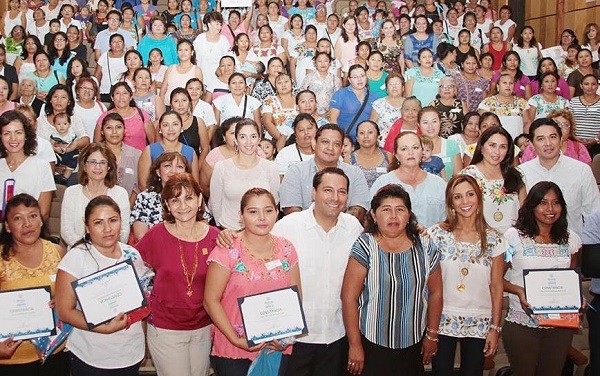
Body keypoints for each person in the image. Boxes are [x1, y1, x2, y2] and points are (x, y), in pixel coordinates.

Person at [341, 183, 443, 375]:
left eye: (400, 210)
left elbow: (436, 292)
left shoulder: (426, 247)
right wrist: (354, 345)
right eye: (386, 210)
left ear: (409, 215)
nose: (393, 216)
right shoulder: (365, 246)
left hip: (413, 343)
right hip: (371, 343)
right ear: (373, 215)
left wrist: (432, 335)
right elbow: (349, 298)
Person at [205, 188, 300, 375]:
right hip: (234, 347)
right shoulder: (227, 249)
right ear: (241, 215)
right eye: (253, 212)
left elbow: (295, 295)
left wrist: (284, 337)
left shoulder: (287, 248)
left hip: (276, 346)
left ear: (277, 212)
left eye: (268, 210)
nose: (262, 218)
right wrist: (236, 339)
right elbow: (210, 301)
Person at [135, 173, 218, 376]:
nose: (183, 206)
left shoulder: (216, 237)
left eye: (188, 198)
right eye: (175, 200)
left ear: (200, 200)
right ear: (167, 204)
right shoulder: (156, 235)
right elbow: (132, 271)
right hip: (166, 328)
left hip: (203, 326)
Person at [55, 196, 148, 375]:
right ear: (88, 227)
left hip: (130, 352)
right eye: (98, 223)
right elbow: (64, 311)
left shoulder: (132, 254)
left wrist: (142, 342)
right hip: (91, 354)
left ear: (121, 221)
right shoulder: (76, 258)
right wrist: (104, 329)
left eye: (113, 220)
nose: (107, 229)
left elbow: (141, 302)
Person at [428, 175, 506, 375]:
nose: (465, 202)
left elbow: (496, 286)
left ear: (479, 198)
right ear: (451, 203)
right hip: (442, 318)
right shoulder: (436, 235)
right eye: (458, 197)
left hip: (480, 320)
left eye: (470, 195)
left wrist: (495, 328)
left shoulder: (495, 239)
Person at [502, 181, 581, 376]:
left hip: (560, 326)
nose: (550, 209)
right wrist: (519, 291)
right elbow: (495, 279)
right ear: (532, 206)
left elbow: (573, 277)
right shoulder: (513, 237)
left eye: (556, 203)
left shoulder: (572, 240)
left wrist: (579, 299)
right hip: (523, 323)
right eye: (543, 203)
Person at [0, 194, 68, 374]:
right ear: (7, 226)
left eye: (32, 216)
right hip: (12, 360)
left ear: (41, 220)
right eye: (17, 218)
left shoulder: (58, 252)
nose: (27, 224)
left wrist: (61, 302)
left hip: (55, 354)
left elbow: (71, 299)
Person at [518, 118, 600, 236]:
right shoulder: (521, 173)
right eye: (540, 139)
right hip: (531, 245)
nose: (548, 143)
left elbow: (593, 213)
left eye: (553, 137)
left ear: (561, 139)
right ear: (531, 143)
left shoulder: (581, 170)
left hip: (572, 246)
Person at [280, 124, 370, 222]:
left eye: (336, 144)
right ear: (314, 143)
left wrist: (334, 228)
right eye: (325, 142)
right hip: (303, 233)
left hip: (344, 233)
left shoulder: (355, 173)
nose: (330, 148)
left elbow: (358, 210)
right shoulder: (296, 171)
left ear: (341, 149)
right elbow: (292, 211)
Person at [210, 119, 280, 230]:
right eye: (243, 137)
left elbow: (274, 201)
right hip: (230, 231)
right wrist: (222, 228)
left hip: (260, 231)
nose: (249, 142)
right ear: (236, 140)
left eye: (253, 136)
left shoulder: (270, 167)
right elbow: (215, 203)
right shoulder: (222, 167)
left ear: (259, 139)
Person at [60, 143, 130, 248]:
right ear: (84, 166)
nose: (98, 167)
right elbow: (66, 230)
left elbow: (123, 232)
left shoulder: (120, 193)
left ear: (109, 167)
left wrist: (104, 249)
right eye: (92, 162)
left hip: (111, 253)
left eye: (102, 162)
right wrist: (88, 249)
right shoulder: (71, 192)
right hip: (79, 252)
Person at [371, 131, 446, 228]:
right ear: (396, 155)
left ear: (421, 152)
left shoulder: (438, 184)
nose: (410, 153)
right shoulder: (383, 182)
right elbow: (373, 218)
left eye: (415, 148)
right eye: (404, 149)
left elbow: (448, 221)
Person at [460, 126, 525, 234]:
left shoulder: (518, 175)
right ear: (481, 147)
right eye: (492, 145)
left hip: (514, 241)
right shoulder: (468, 176)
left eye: (503, 147)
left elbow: (525, 211)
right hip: (481, 240)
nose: (497, 152)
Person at [0, 110, 55, 220]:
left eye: (18, 132)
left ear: (26, 135)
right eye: (7, 133)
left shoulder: (42, 167)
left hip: (30, 231)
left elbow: (43, 213)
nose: (13, 138)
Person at [131, 152, 191, 242]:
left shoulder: (193, 195)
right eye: (167, 166)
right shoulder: (145, 197)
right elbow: (140, 236)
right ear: (158, 172)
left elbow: (203, 225)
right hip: (155, 249)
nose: (173, 171)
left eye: (179, 167)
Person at [138, 111, 199, 191]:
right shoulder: (149, 150)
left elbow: (195, 184)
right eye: (166, 125)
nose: (171, 129)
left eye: (175, 124)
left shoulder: (190, 152)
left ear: (181, 128)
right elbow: (143, 184)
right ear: (160, 129)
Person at [94, 82, 155, 151]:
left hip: (140, 159)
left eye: (125, 93)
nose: (121, 97)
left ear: (131, 96)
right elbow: (97, 144)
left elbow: (152, 140)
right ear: (112, 97)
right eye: (117, 93)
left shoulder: (142, 114)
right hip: (113, 159)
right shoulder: (105, 117)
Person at [329, 64, 378, 142]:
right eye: (355, 77)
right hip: (345, 140)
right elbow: (332, 119)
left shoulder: (374, 96)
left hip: (366, 141)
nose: (360, 79)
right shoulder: (340, 94)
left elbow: (375, 121)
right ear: (349, 79)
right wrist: (340, 139)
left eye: (362, 76)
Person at [478, 74, 531, 141]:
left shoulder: (521, 103)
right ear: (498, 86)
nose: (508, 85)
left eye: (511, 83)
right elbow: (481, 125)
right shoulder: (487, 103)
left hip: (516, 144)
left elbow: (527, 123)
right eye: (504, 83)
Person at [417, 107, 461, 180]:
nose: (430, 126)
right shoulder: (414, 146)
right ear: (419, 125)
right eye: (425, 122)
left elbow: (458, 177)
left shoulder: (452, 145)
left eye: (434, 121)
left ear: (440, 122)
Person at [199, 117, 239, 197]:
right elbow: (204, 186)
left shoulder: (257, 152)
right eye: (232, 133)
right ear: (224, 137)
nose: (237, 136)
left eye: (241, 133)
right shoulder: (214, 155)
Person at [160, 39, 204, 107]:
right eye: (180, 50)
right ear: (177, 53)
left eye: (186, 50)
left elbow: (199, 92)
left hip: (188, 109)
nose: (183, 53)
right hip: (168, 107)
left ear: (192, 52)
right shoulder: (170, 68)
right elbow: (163, 91)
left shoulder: (196, 70)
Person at [349, 120, 392, 188]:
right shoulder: (349, 159)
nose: (366, 136)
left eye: (370, 132)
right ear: (357, 138)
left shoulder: (388, 156)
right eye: (362, 133)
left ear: (378, 136)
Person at [262, 73, 299, 150]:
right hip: (274, 141)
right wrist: (282, 140)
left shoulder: (299, 100)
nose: (283, 85)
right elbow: (267, 122)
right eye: (279, 83)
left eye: (286, 82)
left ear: (292, 84)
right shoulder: (270, 100)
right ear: (275, 87)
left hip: (297, 141)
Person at [568, 74, 600, 157]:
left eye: (593, 84)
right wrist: (574, 137)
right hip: (575, 143)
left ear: (597, 86)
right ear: (581, 86)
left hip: (597, 145)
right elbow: (569, 121)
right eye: (586, 84)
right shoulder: (574, 101)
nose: (590, 87)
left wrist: (596, 139)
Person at [193, 12, 231, 82]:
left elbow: (228, 60)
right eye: (217, 24)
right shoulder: (200, 39)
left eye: (220, 24)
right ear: (209, 24)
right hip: (202, 79)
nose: (219, 27)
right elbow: (193, 59)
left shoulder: (223, 40)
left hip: (219, 80)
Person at [369, 73, 404, 147]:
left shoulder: (409, 104)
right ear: (387, 89)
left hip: (404, 144)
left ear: (403, 87)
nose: (394, 86)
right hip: (383, 145)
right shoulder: (378, 103)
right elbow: (371, 125)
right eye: (391, 84)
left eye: (397, 83)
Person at [94, 33, 127, 102]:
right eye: (114, 42)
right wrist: (97, 91)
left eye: (119, 41)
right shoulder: (104, 56)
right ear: (110, 45)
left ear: (124, 44)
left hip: (124, 93)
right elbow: (97, 75)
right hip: (105, 92)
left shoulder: (128, 57)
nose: (117, 44)